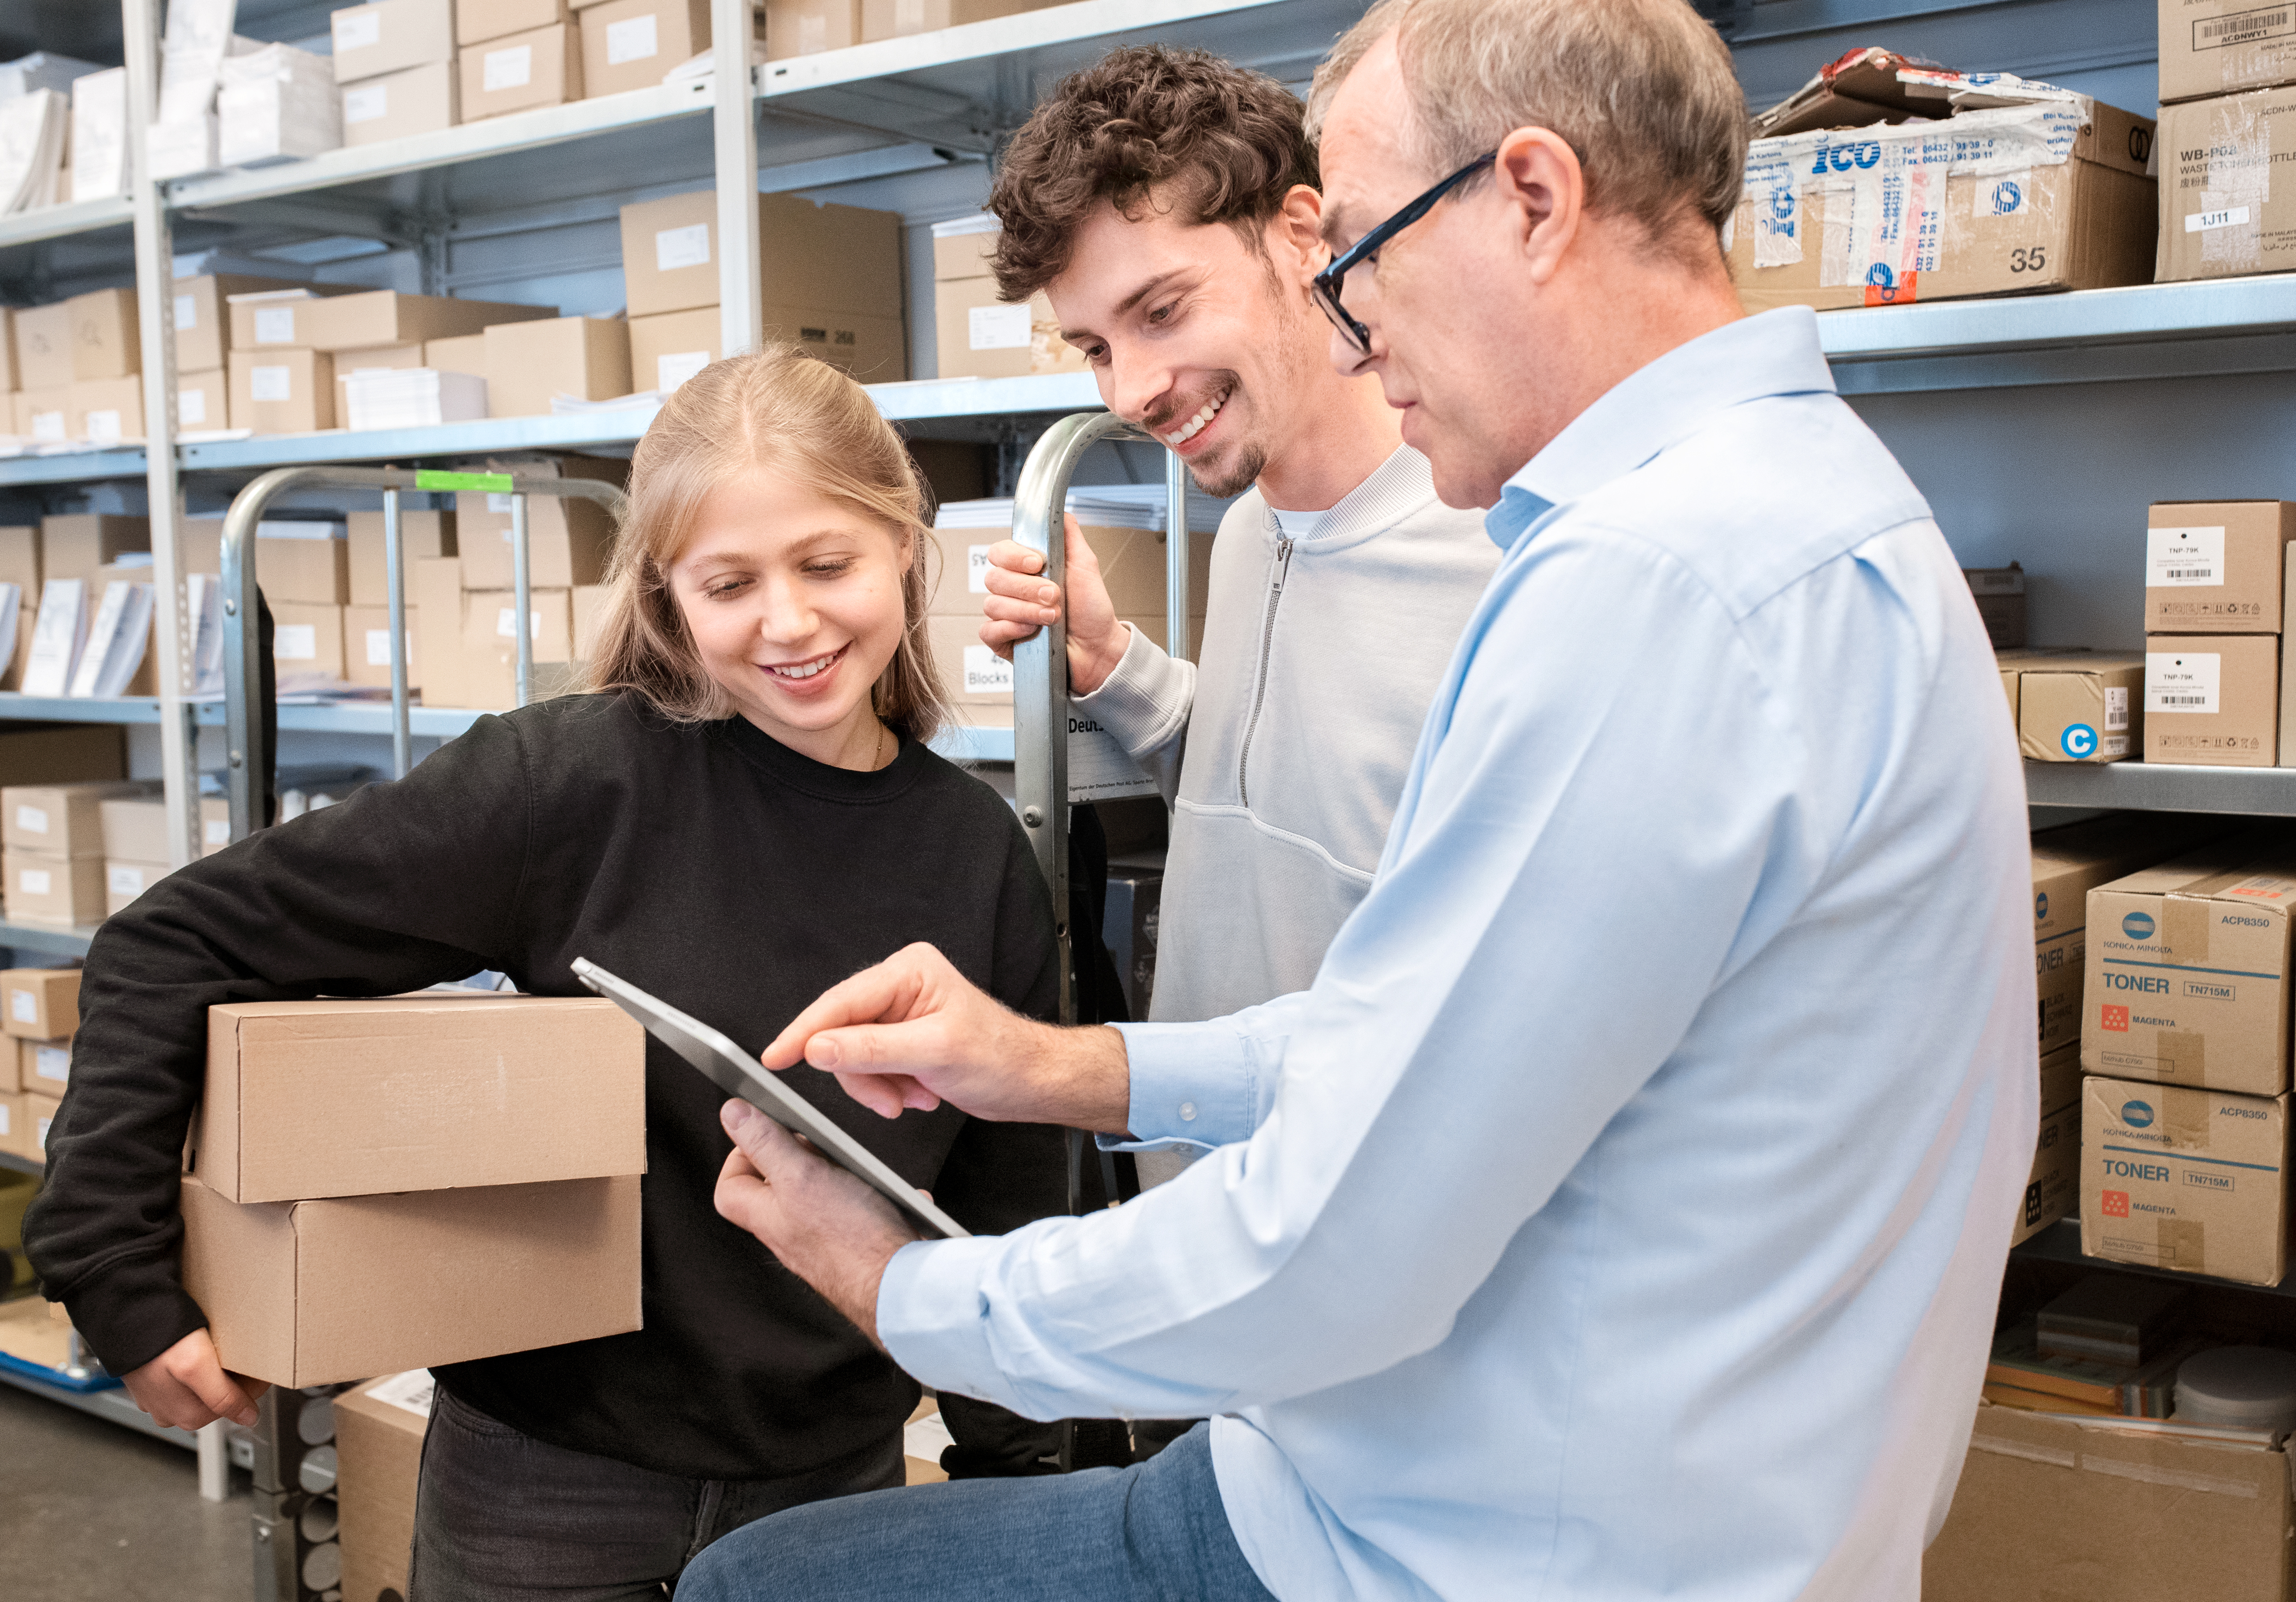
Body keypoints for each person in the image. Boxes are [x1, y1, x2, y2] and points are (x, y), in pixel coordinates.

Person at [676, 0, 2038, 1598]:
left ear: (1532, 199)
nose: (1354, 315)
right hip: (1515, 1484)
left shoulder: (1647, 586)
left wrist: (902, 1288)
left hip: (1470, 1541)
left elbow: (1343, 1237)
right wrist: (1058, 1069)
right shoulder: (1799, 511)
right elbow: (1430, 1034)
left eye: (1366, 250)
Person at [24, 350, 1072, 1599]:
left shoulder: (973, 851)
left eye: (826, 564)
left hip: (836, 1487)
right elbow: (175, 939)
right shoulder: (570, 788)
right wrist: (111, 1262)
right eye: (729, 583)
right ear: (667, 592)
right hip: (545, 1490)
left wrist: (1029, 1494)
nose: (788, 622)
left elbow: (1008, 1203)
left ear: (903, 542)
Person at [974, 47, 1498, 1121]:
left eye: (1162, 311)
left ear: (1303, 236)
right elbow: (1276, 806)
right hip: (1196, 1175)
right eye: (1095, 347)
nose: (1133, 392)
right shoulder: (1253, 526)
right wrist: (1114, 668)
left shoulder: (1492, 556)